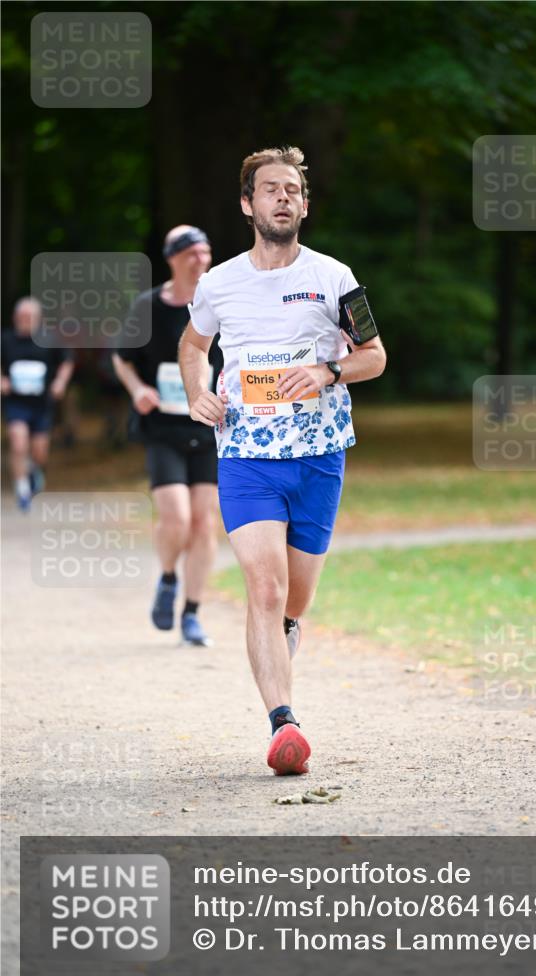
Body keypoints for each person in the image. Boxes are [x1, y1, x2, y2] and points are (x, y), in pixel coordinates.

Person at [178, 146, 386, 775]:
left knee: (293, 600)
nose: (283, 198)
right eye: (270, 189)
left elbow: (374, 356)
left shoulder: (336, 277)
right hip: (247, 454)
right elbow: (193, 344)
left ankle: (285, 634)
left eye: (293, 189)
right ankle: (283, 726)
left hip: (319, 456)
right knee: (263, 590)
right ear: (248, 204)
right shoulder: (218, 283)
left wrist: (327, 370)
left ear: (304, 203)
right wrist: (197, 394)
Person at [113, 226, 222, 646]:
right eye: (192, 253)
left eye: (205, 251)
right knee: (175, 517)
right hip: (162, 426)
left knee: (203, 522)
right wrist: (138, 389)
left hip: (209, 428)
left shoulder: (217, 302)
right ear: (173, 259)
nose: (200, 259)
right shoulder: (148, 307)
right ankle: (168, 578)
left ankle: (192, 614)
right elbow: (122, 359)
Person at [1, 297, 74, 511]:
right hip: (16, 403)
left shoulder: (49, 340)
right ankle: (22, 489)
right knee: (18, 442)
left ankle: (35, 471)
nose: (25, 320)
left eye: (29, 317)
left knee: (39, 451)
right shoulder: (5, 340)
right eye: (21, 316)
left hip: (42, 404)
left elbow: (66, 361)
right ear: (15, 318)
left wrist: (60, 382)